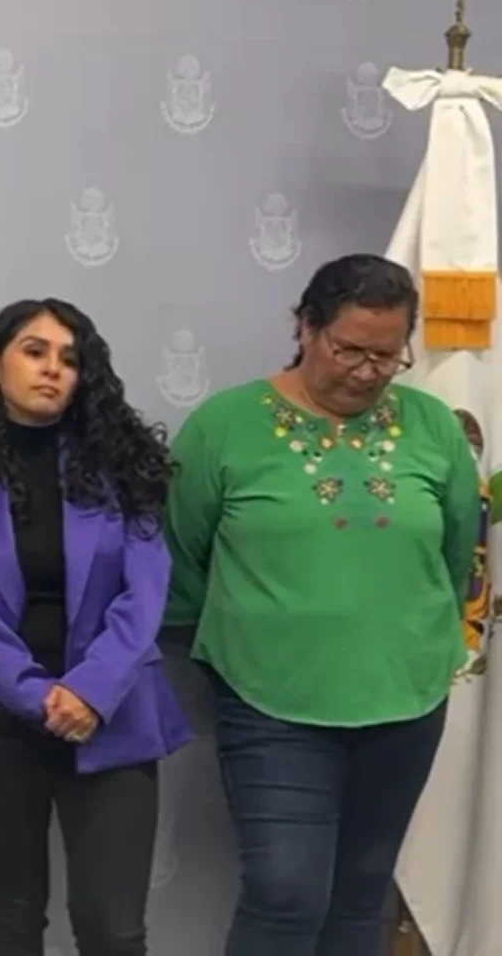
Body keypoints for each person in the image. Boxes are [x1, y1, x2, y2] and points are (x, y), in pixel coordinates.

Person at [165, 254, 480, 956]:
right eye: (350, 350)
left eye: (387, 356)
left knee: (361, 895)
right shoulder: (224, 425)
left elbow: (458, 553)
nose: (367, 371)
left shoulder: (433, 426)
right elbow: (181, 557)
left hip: (407, 697)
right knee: (285, 894)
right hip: (269, 699)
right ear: (305, 327)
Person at [0, 298, 190, 956]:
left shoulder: (123, 468)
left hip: (112, 708)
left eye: (70, 359)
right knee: (11, 918)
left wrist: (89, 691)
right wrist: (34, 694)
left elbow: (145, 590)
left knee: (113, 929)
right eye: (35, 351)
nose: (52, 369)